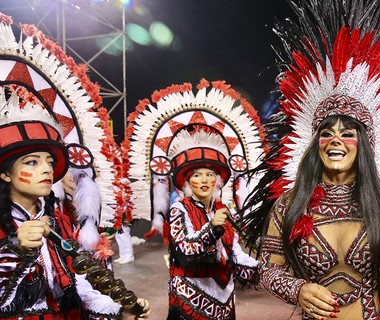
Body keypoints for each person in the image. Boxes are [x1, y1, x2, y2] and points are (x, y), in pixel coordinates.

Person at [239, 1, 380, 319]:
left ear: (364, 144)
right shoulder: (289, 205)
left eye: (348, 133)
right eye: (327, 133)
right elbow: (268, 270)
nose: (336, 141)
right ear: (315, 143)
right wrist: (298, 289)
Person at [0, 103, 151, 319]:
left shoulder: (59, 221)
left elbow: (78, 284)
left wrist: (119, 310)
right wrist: (14, 249)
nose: (46, 169)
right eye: (32, 162)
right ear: (6, 174)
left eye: (50, 162)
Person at [164, 129, 259, 320]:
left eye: (210, 174)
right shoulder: (179, 209)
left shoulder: (224, 210)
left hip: (224, 297)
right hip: (190, 293)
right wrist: (213, 228)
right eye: (197, 175)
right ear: (188, 181)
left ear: (217, 180)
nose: (205, 180)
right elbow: (187, 249)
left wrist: (260, 267)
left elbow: (233, 251)